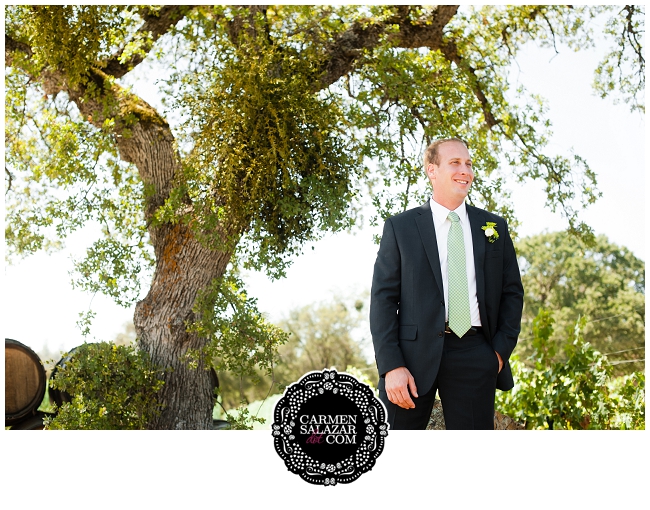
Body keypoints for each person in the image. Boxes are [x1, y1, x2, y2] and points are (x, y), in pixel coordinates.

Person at [370, 138, 524, 430]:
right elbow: (383, 300)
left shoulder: (494, 228)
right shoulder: (400, 227)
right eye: (455, 163)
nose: (465, 170)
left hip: (475, 354)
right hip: (410, 359)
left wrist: (497, 354)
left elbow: (512, 293)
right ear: (432, 170)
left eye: (468, 164)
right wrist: (391, 365)